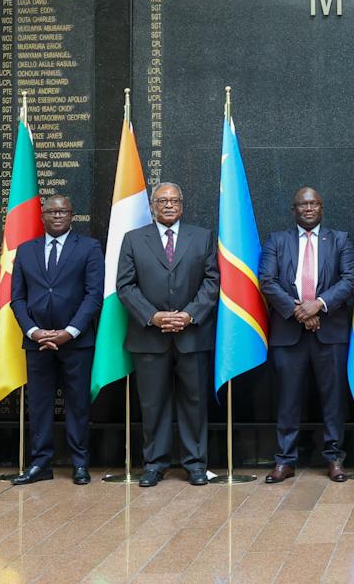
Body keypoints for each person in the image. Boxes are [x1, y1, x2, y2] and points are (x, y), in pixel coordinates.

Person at [116, 181, 218, 487]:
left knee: (195, 401)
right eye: (162, 201)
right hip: (149, 337)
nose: (169, 205)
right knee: (152, 403)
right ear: (152, 206)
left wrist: (188, 315)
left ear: (182, 205)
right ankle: (154, 464)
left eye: (174, 200)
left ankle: (195, 463)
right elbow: (125, 285)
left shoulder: (202, 237)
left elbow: (212, 281)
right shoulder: (133, 240)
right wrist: (153, 316)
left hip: (192, 335)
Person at [257, 187, 354, 483]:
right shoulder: (277, 240)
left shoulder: (341, 240)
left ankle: (334, 457)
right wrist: (298, 310)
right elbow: (267, 280)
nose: (309, 208)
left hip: (331, 332)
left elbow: (350, 280)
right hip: (289, 333)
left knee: (333, 399)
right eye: (303, 204)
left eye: (314, 204)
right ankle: (285, 460)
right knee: (288, 398)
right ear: (294, 209)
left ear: (322, 207)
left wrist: (318, 306)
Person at [8, 194, 102, 485]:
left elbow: (93, 295)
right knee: (39, 404)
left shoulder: (89, 247)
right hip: (37, 342)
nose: (57, 216)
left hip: (76, 342)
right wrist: (34, 331)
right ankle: (41, 463)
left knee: (77, 405)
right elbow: (18, 298)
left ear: (72, 216)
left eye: (63, 212)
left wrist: (69, 332)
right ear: (42, 216)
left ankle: (79, 463)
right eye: (51, 212)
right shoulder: (25, 250)